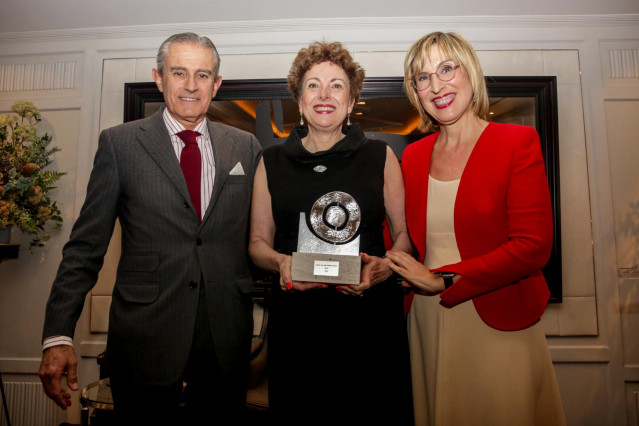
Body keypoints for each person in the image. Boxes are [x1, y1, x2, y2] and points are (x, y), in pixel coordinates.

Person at [38, 32, 262, 424]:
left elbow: (264, 234)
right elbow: (85, 247)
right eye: (179, 72)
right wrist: (58, 335)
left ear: (217, 84)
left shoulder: (246, 146)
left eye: (202, 74)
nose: (191, 85)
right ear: (158, 78)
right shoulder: (120, 145)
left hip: (226, 340)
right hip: (145, 339)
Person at [385, 31, 566, 425]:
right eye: (422, 77)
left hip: (499, 319)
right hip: (426, 320)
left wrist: (446, 279)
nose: (436, 85)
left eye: (446, 68)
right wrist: (375, 265)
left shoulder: (517, 141)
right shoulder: (412, 156)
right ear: (415, 92)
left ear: (470, 73)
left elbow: (534, 246)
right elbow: (402, 239)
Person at [249, 41, 413, 425]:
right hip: (299, 328)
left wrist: (384, 269)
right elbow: (257, 244)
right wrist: (282, 262)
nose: (325, 95)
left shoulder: (380, 155)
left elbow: (405, 235)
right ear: (299, 99)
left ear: (352, 98)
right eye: (313, 85)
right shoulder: (270, 161)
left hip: (371, 324)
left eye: (336, 85)